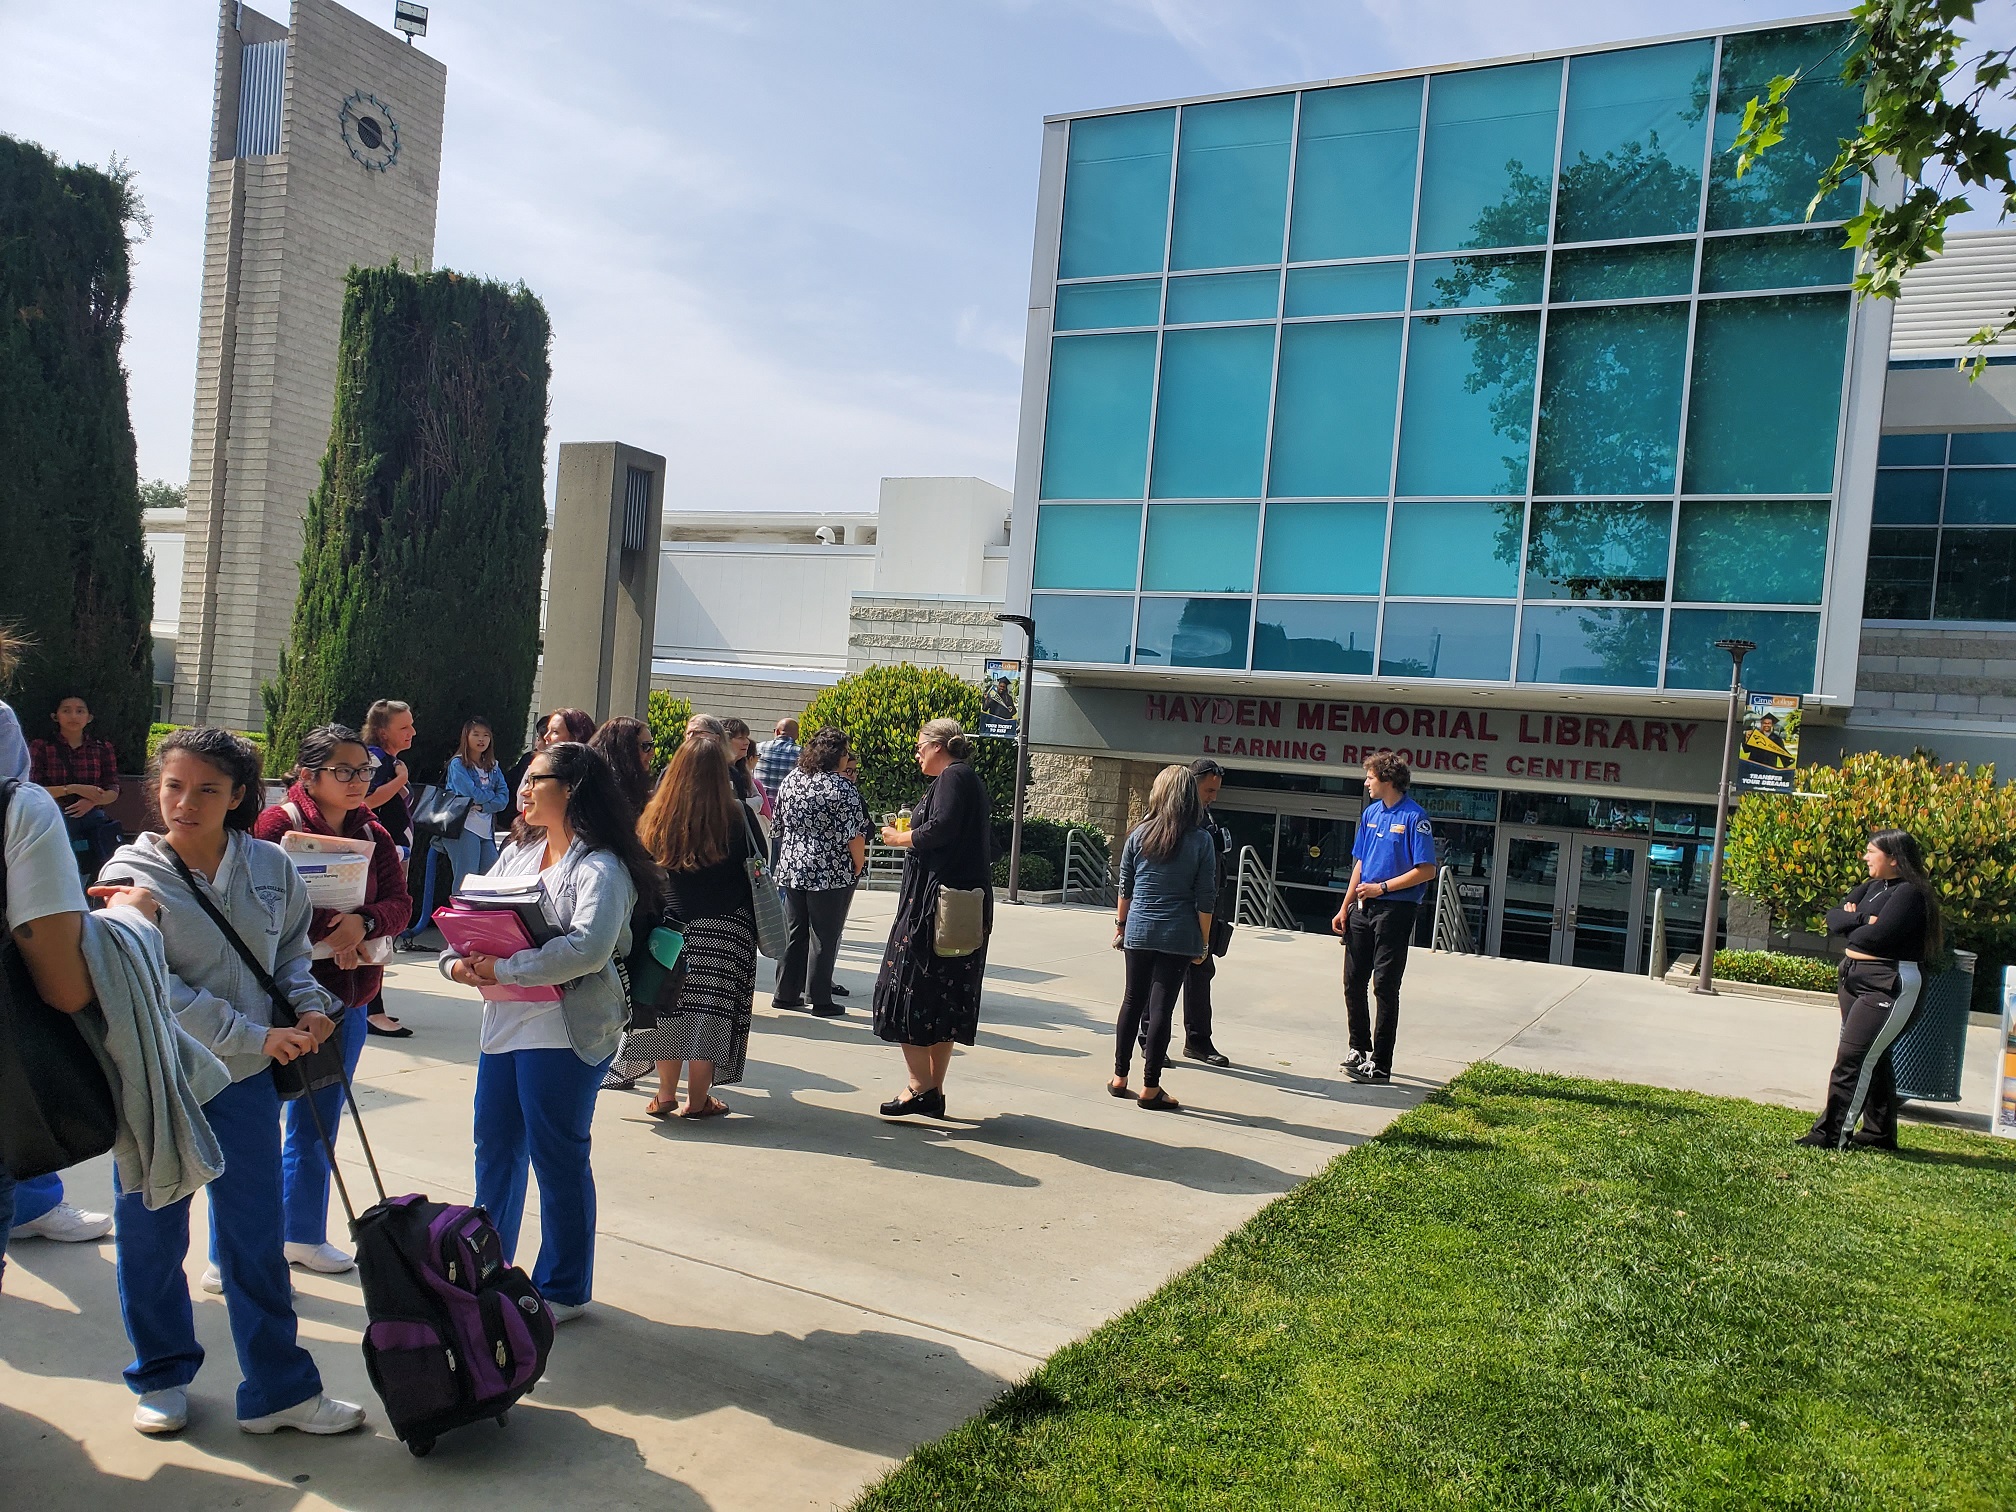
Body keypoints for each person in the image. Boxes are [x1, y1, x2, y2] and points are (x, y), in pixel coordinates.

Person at [95, 727, 366, 1437]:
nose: (184, 803)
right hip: (156, 1078)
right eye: (173, 786)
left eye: (206, 789)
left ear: (240, 795)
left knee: (255, 1236)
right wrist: (255, 1036)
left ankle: (278, 1389)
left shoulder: (273, 867)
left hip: (244, 1084)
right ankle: (160, 1375)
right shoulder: (131, 875)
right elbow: (154, 987)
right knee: (152, 1234)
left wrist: (309, 1005)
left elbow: (287, 957)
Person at [439, 741, 656, 1322]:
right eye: (525, 778)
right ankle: (490, 1267)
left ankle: (563, 1287)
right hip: (504, 1022)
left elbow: (587, 950)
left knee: (557, 1156)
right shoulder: (518, 851)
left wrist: (503, 967)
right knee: (496, 1148)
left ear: (574, 788)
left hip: (564, 1031)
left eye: (538, 779)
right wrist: (456, 962)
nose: (525, 789)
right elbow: (473, 913)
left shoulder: (601, 868)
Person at [250, 725, 411, 1277]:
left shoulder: (375, 831)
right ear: (308, 776)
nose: (358, 781)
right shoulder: (277, 826)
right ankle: (242, 1248)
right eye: (344, 771)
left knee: (320, 1122)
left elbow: (399, 903)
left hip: (352, 995)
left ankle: (302, 1234)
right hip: (280, 999)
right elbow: (260, 897)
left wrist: (362, 924)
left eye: (364, 771)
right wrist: (330, 929)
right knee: (257, 1123)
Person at [616, 735, 757, 1118]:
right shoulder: (737, 815)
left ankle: (664, 1095)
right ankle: (698, 1100)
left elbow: (641, 871)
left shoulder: (655, 815)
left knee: (667, 1008)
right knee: (711, 1014)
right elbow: (757, 869)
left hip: (671, 928)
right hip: (727, 929)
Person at [872, 718, 993, 1119]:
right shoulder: (965, 779)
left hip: (933, 906)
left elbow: (940, 829)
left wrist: (898, 838)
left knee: (905, 987)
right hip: (953, 904)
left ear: (939, 745)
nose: (917, 753)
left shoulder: (953, 779)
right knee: (943, 995)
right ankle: (931, 1089)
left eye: (921, 745)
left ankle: (919, 1085)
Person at [1797, 830, 1944, 1151]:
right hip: (1852, 975)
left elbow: (1876, 938)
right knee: (1872, 1058)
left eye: (1870, 852)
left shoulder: (1910, 894)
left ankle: (1831, 1135)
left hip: (1888, 981)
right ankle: (1879, 1135)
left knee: (1854, 1057)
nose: (1865, 857)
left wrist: (1857, 923)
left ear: (1893, 858)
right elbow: (1834, 920)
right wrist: (1865, 918)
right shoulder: (1872, 888)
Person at [1110, 765, 1216, 1112]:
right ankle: (1150, 1086)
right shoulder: (1201, 840)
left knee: (1131, 1001)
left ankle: (1119, 1077)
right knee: (1160, 1009)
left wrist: (1121, 925)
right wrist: (1203, 943)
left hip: (1139, 928)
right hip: (1178, 933)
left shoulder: (1139, 835)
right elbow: (1205, 897)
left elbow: (1125, 886)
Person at [1332, 751, 1437, 1087]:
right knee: (1352, 981)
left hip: (1395, 909)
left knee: (1385, 986)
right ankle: (1358, 1048)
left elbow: (1426, 870)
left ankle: (1381, 1063)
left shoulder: (1414, 817)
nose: (1366, 783)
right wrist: (1344, 907)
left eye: (1370, 778)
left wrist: (1384, 888)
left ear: (1388, 779)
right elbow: (1360, 864)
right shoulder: (1370, 814)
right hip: (1362, 908)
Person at [772, 727, 867, 1018]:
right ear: (836, 756)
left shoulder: (791, 781)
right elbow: (855, 835)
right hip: (829, 870)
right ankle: (820, 998)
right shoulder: (843, 788)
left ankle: (785, 993)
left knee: (795, 931)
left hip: (793, 867)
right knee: (825, 934)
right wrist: (858, 865)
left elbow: (777, 825)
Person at [1170, 757, 1234, 1068]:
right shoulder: (1172, 818)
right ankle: (1148, 1039)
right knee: (1162, 978)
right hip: (1177, 909)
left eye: (1216, 791)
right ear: (1192, 783)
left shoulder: (1206, 818)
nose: (1212, 796)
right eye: (1208, 790)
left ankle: (1197, 1041)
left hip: (1203, 910)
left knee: (1201, 973)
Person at [359, 699, 416, 1035]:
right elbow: (368, 799)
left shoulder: (388, 760)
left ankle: (373, 1005)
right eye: (404, 727)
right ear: (383, 731)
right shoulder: (376, 760)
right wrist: (401, 779)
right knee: (378, 929)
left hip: (394, 852)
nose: (412, 732)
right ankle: (371, 1007)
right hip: (383, 855)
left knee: (385, 931)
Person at [31, 692, 125, 877]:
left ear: (89, 717)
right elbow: (32, 790)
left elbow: (113, 787)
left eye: (80, 711)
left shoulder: (102, 748)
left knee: (92, 868)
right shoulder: (41, 746)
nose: (73, 716)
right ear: (55, 716)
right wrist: (73, 788)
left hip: (92, 823)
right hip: (53, 820)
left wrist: (92, 801)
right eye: (66, 711)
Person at [438, 717, 512, 904]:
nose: (481, 739)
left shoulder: (494, 766)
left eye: (486, 735)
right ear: (466, 737)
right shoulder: (458, 765)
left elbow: (504, 799)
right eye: (476, 734)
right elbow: (470, 793)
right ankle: (458, 922)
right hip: (463, 828)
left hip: (486, 831)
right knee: (466, 880)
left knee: (492, 875)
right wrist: (489, 797)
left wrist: (483, 806)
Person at [589, 715, 656, 817]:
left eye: (652, 745)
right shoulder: (599, 792)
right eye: (646, 746)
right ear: (626, 749)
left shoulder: (640, 791)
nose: (652, 753)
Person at [721, 717, 767, 818]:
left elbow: (759, 800)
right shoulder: (717, 769)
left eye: (746, 737)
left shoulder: (743, 768)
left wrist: (741, 804)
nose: (747, 742)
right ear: (726, 740)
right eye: (740, 738)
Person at [755, 718, 801, 797]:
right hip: (785, 804)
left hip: (760, 803)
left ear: (777, 732)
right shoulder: (802, 753)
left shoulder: (758, 748)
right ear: (797, 736)